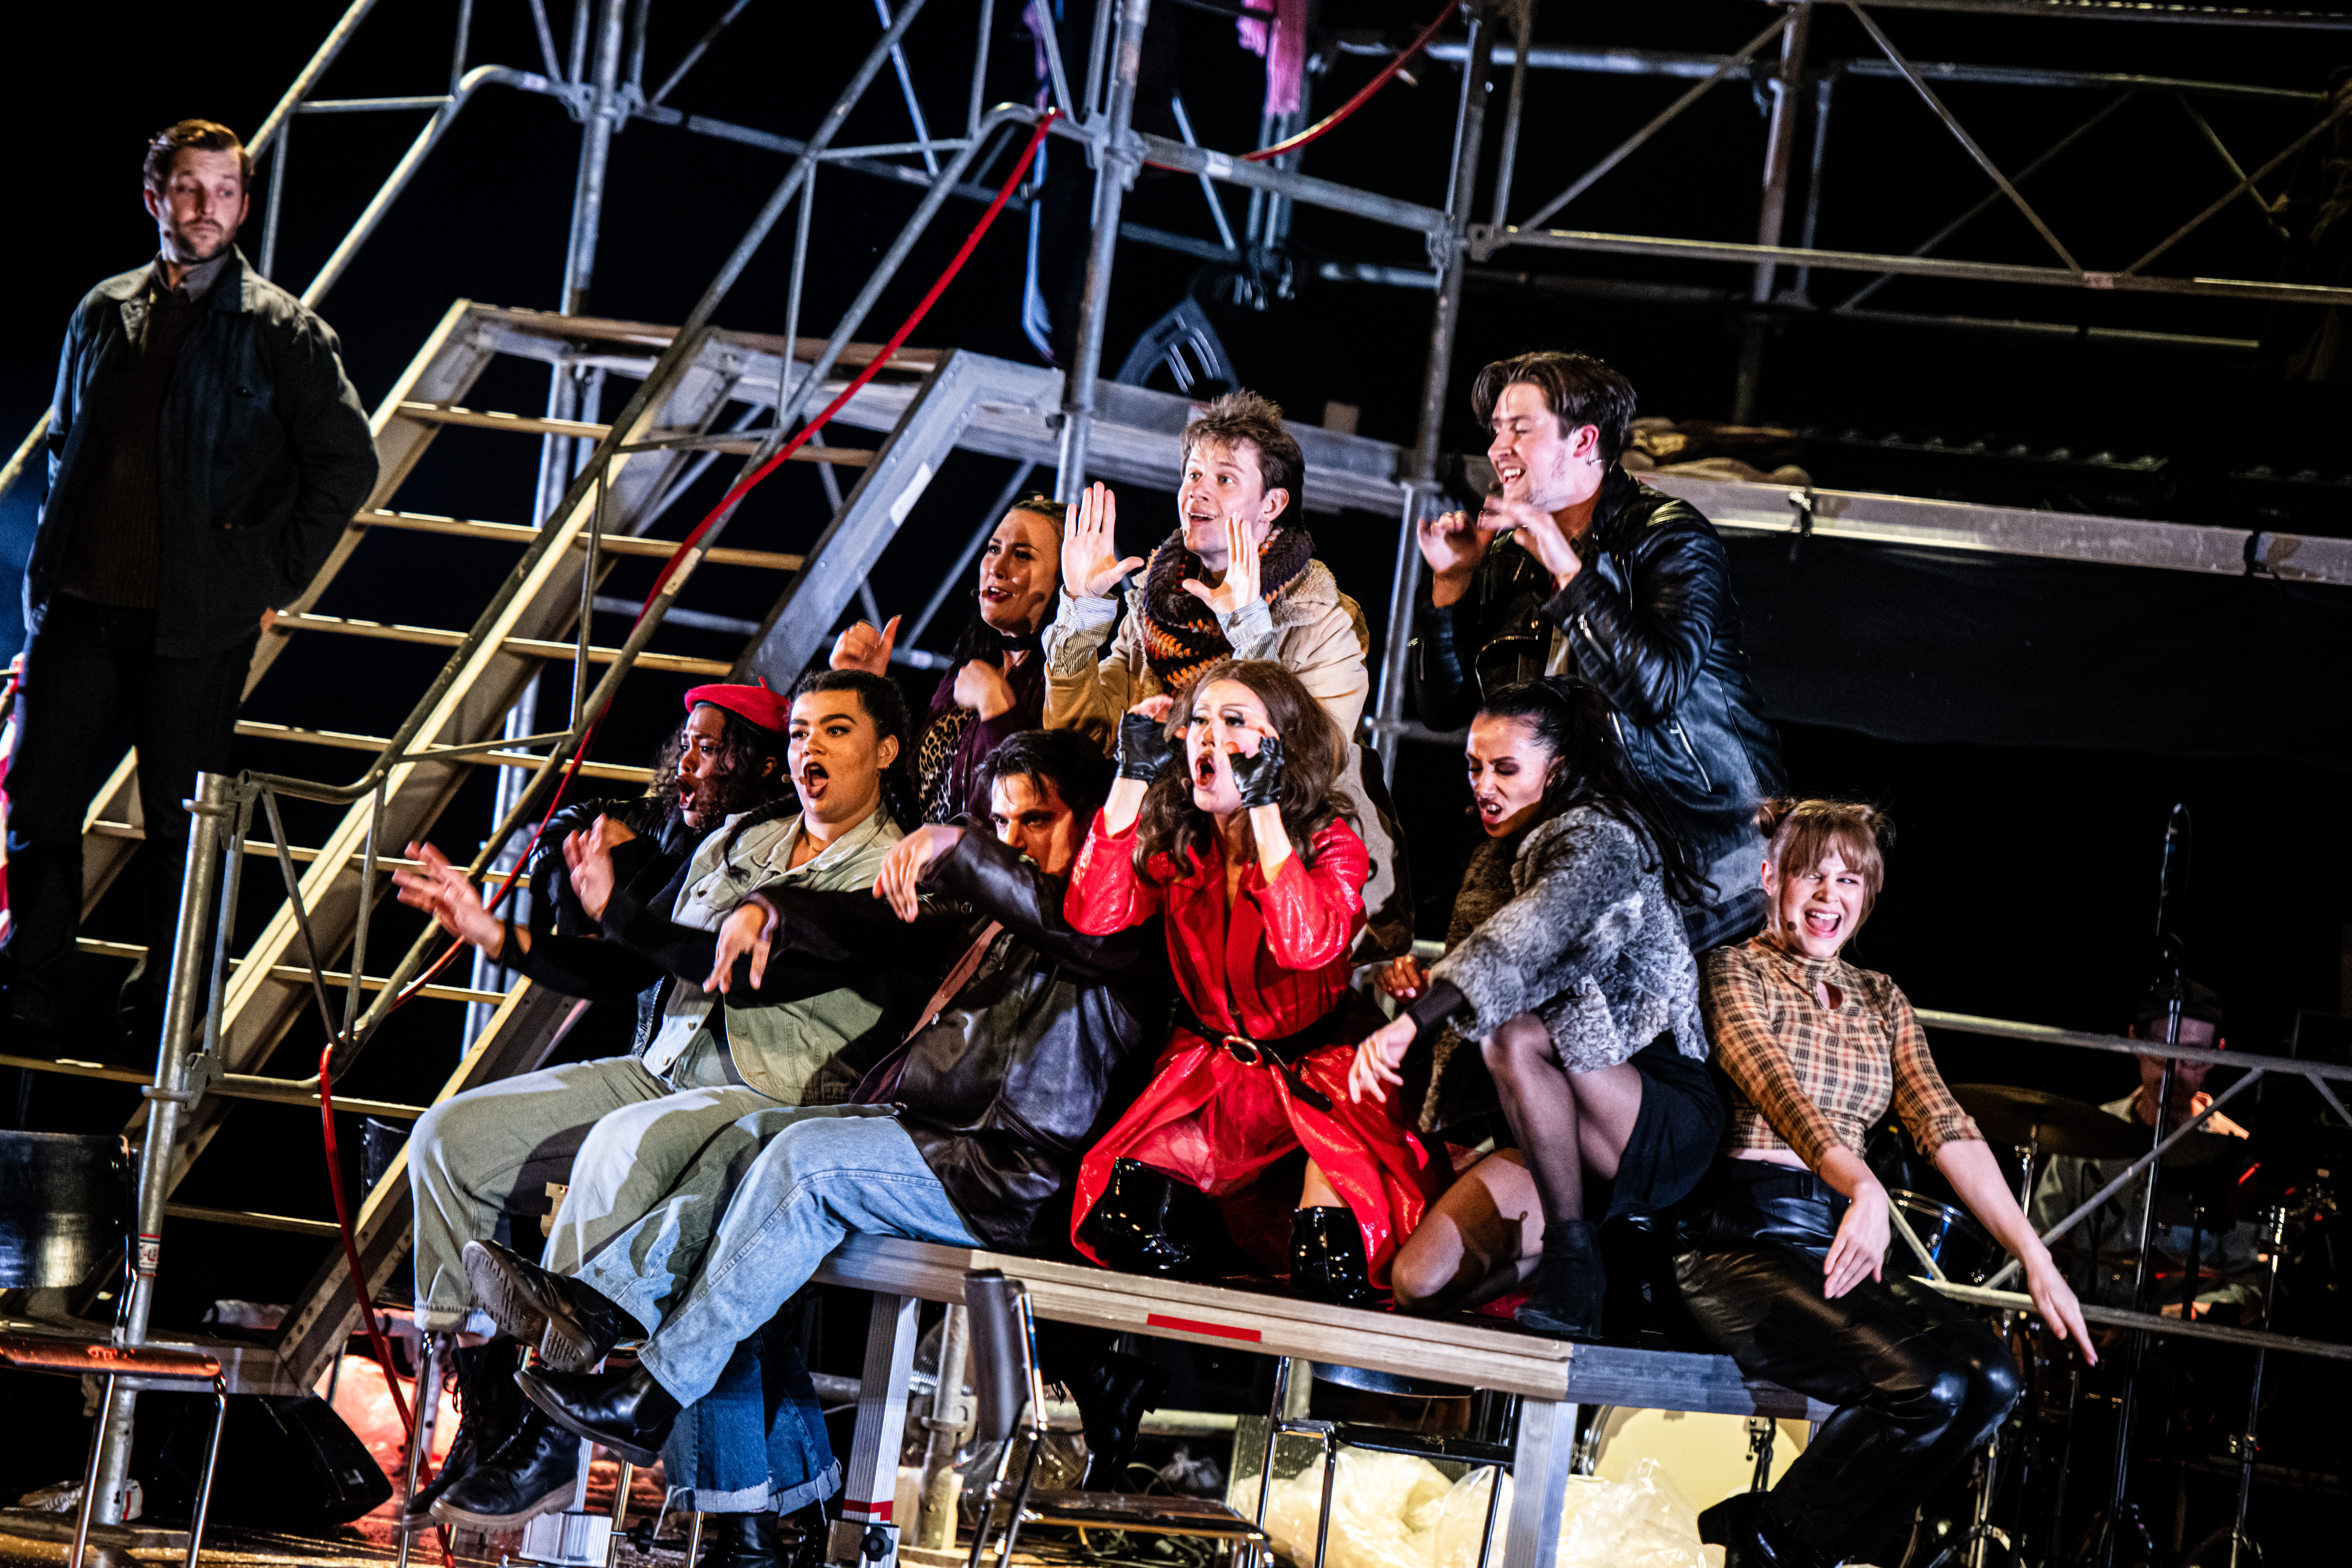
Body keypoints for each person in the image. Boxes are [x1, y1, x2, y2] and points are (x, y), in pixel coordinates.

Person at [443, 728, 1171, 1490]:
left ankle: (652, 1396)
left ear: (1094, 827)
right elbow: (866, 925)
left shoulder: (1118, 930)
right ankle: (600, 1310)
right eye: (999, 822)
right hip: (935, 1144)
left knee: (802, 1164)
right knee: (752, 1133)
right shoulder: (991, 915)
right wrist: (770, 912)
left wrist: (959, 846)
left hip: (1007, 1176)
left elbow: (1069, 919)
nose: (1012, 841)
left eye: (1036, 820)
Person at [388, 673, 912, 1534]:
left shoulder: (888, 871)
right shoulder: (742, 838)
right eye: (801, 732)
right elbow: (632, 966)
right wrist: (497, 934)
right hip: (662, 1065)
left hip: (762, 1095)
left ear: (885, 750)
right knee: (449, 1137)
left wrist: (620, 911)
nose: (810, 748)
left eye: (836, 730)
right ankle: (481, 1385)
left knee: (621, 1146)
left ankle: (546, 1439)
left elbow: (743, 974)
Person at [3, 119, 378, 1059]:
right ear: (154, 196)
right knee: (39, 807)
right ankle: (28, 997)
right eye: (187, 187)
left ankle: (162, 1017)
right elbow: (64, 444)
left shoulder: (281, 329)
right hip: (78, 609)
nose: (206, 207)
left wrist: (272, 573)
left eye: (224, 190)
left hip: (197, 621)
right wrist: (48, 572)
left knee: (177, 825)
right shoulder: (104, 310)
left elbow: (347, 460)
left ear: (244, 205)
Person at [1674, 798, 2095, 1568]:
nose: (1828, 894)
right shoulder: (1735, 971)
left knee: (1993, 1380)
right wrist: (1864, 1184)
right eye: (1811, 873)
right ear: (1770, 876)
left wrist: (2035, 1255)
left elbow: (1945, 1123)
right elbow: (1781, 1095)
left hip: (1832, 1246)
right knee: (1927, 1386)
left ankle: (1783, 1539)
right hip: (1741, 1244)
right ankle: (1779, 1541)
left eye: (1849, 879)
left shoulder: (1881, 998)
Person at [1348, 681, 1723, 1338]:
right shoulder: (1497, 857)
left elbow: (1532, 938)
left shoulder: (1603, 839)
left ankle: (1573, 1257)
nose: (1484, 786)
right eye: (1474, 767)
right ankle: (1586, 1259)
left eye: (1505, 769)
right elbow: (1493, 972)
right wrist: (1427, 988)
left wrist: (1416, 1021)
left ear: (1559, 770)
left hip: (1650, 1113)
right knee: (1418, 1283)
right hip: (1555, 1136)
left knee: (1511, 1034)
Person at [1063, 660, 1437, 1305]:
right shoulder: (1182, 840)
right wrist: (1131, 774)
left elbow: (1305, 944)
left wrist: (1264, 807)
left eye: (1234, 721)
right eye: (1199, 721)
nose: (1210, 736)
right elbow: (1092, 914)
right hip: (1214, 1080)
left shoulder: (1331, 842)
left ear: (1280, 745)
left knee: (1328, 1263)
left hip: (1320, 1076)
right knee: (1130, 1225)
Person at [1410, 351, 1784, 953]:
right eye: (1496, 431)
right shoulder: (1508, 556)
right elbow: (1442, 711)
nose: (1498, 450)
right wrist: (1449, 587)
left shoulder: (1669, 537)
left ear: (1584, 441)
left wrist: (1567, 571)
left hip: (1695, 862)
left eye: (1520, 429)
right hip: (1567, 849)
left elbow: (1652, 692)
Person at [1043, 390, 1411, 958]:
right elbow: (1083, 736)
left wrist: (1249, 629)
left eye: (1224, 479)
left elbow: (1313, 762)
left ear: (1271, 504)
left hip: (1276, 883)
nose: (1198, 491)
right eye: (1192, 474)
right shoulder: (1152, 606)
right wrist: (1080, 612)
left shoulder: (1321, 616)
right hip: (1173, 873)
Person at [829, 493, 1063, 823]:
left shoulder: (1065, 687)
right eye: (993, 549)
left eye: (1022, 555)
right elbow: (904, 792)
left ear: (1063, 579)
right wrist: (864, 689)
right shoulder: (968, 667)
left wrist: (996, 706)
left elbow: (1032, 810)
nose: (997, 568)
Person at [2029, 982, 2258, 1317]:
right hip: (2081, 1322)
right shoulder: (2086, 1133)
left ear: (2217, 1054)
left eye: (2193, 1055)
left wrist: (2187, 1314)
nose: (2174, 1069)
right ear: (2134, 1040)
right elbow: (2035, 1240)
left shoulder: (2237, 1154)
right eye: (2162, 1050)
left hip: (2174, 1339)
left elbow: (2253, 1284)